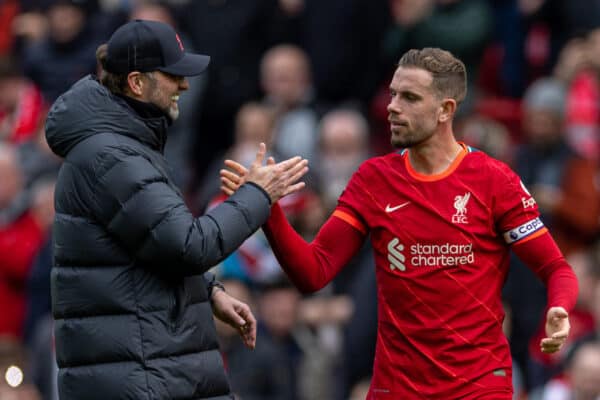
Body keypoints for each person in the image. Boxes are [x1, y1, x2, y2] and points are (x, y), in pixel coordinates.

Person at [221, 47, 579, 399]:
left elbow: (556, 268)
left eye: (409, 97)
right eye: (393, 94)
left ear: (445, 110)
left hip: (477, 386)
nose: (392, 106)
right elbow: (313, 272)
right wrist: (267, 207)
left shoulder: (493, 180)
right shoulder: (374, 179)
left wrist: (560, 306)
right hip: (397, 387)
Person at [44, 20, 308, 400]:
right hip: (142, 377)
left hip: (148, 368)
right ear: (136, 83)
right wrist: (257, 193)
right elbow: (189, 245)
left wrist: (206, 291)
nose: (184, 85)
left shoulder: (121, 146)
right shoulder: (111, 156)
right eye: (172, 76)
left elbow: (144, 250)